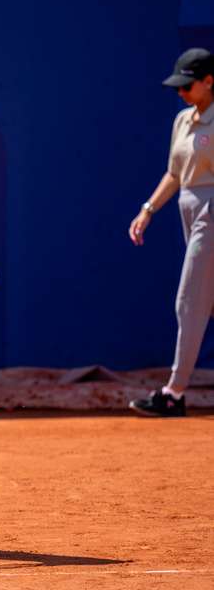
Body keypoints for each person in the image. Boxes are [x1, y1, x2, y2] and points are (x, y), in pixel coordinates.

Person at [128, 48, 214, 418]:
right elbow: (175, 174)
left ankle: (174, 392)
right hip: (189, 211)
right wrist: (147, 210)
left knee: (189, 299)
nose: (181, 92)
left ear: (209, 81)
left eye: (188, 85)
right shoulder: (182, 121)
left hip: (212, 213)